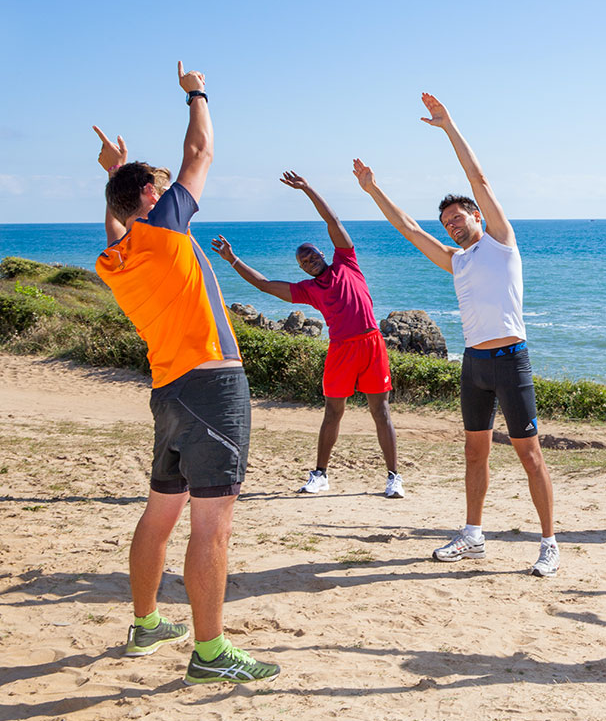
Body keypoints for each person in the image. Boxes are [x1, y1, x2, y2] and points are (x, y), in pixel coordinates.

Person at [91, 62, 278, 683]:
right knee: (212, 520)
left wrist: (115, 177)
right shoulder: (166, 230)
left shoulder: (118, 258)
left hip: (170, 390)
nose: (175, 191)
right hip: (211, 385)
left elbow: (120, 218)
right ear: (152, 198)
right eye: (163, 186)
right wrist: (196, 91)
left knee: (161, 509)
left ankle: (146, 624)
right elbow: (200, 148)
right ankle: (210, 651)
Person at [353, 93, 558, 577]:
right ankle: (473, 535)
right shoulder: (455, 260)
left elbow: (478, 179)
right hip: (474, 366)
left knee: (530, 454)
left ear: (477, 218)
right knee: (474, 452)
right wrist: (372, 190)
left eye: (459, 217)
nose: (451, 223)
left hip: (511, 359)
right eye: (446, 222)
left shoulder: (502, 243)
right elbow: (406, 229)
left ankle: (549, 542)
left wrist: (448, 128)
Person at [210, 171, 403, 499]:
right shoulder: (309, 290)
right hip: (341, 349)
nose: (311, 260)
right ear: (302, 269)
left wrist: (308, 189)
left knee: (380, 411)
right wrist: (233, 260)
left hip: (371, 343)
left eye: (312, 255)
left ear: (322, 254)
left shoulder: (347, 262)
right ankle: (320, 475)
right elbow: (265, 285)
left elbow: (332, 220)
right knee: (333, 412)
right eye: (304, 261)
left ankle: (394, 478)